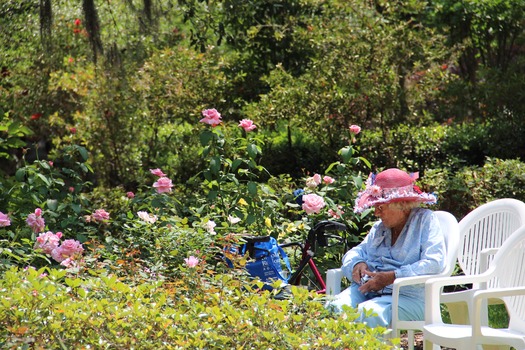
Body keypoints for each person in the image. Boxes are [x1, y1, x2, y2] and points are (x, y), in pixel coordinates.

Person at [326, 168, 445, 328]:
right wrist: (357, 264)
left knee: (369, 312)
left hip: (409, 297)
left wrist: (393, 277)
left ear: (402, 204)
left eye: (381, 207)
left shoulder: (425, 221)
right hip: (368, 292)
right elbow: (356, 252)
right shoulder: (379, 227)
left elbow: (434, 262)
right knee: (334, 308)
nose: (375, 212)